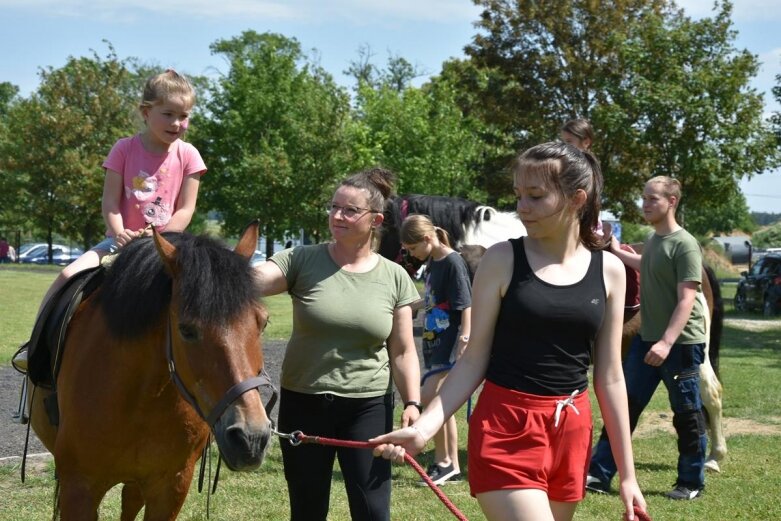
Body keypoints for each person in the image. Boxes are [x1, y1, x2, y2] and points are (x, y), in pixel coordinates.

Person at [371, 142, 647, 521]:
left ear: (576, 198)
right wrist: (425, 428)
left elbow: (611, 377)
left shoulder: (610, 270)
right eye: (518, 195)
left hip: (571, 430)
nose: (522, 207)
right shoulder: (502, 259)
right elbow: (473, 360)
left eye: (535, 196)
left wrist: (628, 476)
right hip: (506, 426)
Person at [254, 167, 422, 521]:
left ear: (375, 220)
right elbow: (252, 280)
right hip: (304, 401)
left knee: (373, 511)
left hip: (367, 406)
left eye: (349, 210)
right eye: (333, 207)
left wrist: (413, 403)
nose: (337, 216)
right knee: (307, 509)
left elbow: (404, 350)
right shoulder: (301, 259)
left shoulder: (394, 277)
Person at [12, 69, 206, 371]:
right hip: (119, 241)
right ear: (146, 111)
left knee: (204, 292)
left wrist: (158, 236)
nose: (178, 123)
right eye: (168, 114)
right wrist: (120, 234)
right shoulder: (124, 149)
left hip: (169, 243)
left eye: (184, 116)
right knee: (67, 276)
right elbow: (111, 203)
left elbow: (186, 209)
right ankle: (35, 345)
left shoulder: (189, 154)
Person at [587, 176, 708, 501]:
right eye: (644, 197)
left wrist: (666, 342)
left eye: (652, 198)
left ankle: (691, 481)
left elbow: (687, 299)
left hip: (681, 345)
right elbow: (647, 264)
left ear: (672, 201)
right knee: (623, 406)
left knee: (686, 412)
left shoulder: (685, 244)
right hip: (648, 340)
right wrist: (616, 251)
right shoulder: (655, 239)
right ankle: (599, 474)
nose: (645, 204)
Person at [400, 214, 471, 486]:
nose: (413, 255)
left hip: (450, 345)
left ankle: (444, 462)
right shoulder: (433, 262)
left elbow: (466, 303)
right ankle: (449, 463)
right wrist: (407, 306)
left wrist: (465, 337)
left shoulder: (453, 261)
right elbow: (432, 299)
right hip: (433, 343)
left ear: (428, 239)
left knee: (430, 399)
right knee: (440, 405)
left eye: (414, 248)